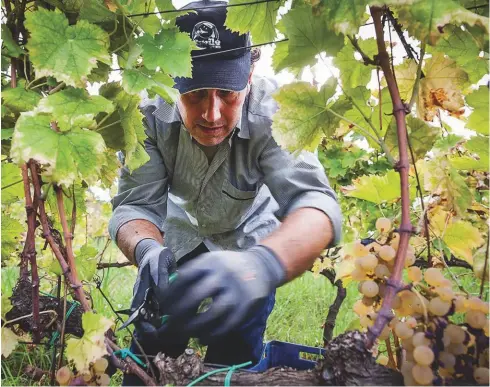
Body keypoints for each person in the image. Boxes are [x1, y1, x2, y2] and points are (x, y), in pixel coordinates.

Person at [108, 0, 342, 384]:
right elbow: (135, 205)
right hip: (177, 241)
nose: (212, 114)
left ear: (251, 72)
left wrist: (262, 266)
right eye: (195, 93)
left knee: (233, 367)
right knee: (145, 364)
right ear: (170, 78)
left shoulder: (275, 114)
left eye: (228, 93)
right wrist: (148, 249)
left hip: (251, 245)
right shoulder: (147, 115)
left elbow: (315, 205)